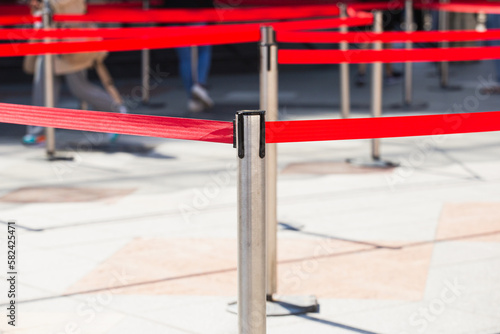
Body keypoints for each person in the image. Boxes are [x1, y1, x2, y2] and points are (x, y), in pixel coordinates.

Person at [22, 0, 127, 145]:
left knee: (79, 87)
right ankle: (38, 131)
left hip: (70, 39)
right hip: (48, 37)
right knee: (42, 86)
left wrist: (46, 3)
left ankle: (116, 113)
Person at [161, 0, 215, 112]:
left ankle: (192, 99)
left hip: (172, 11)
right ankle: (199, 86)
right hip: (195, 10)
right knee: (203, 49)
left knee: (185, 58)